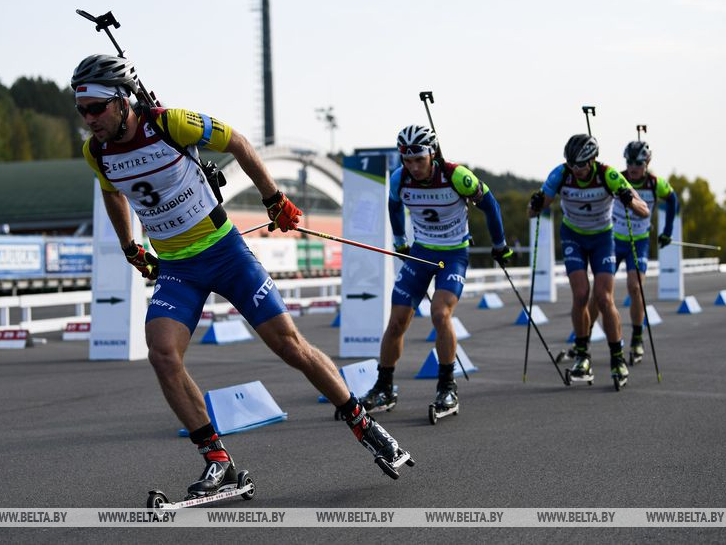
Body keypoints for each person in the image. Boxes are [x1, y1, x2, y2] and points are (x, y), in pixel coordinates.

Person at [71, 54, 412, 494]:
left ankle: (363, 424)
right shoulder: (96, 152)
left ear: (122, 101)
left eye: (96, 108)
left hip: (225, 253)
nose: (88, 119)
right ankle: (217, 460)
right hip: (177, 268)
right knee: (163, 354)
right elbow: (112, 193)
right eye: (82, 110)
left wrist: (274, 198)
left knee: (290, 346)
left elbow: (239, 144)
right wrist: (129, 246)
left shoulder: (172, 123)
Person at [360, 125, 513, 420]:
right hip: (421, 253)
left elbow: (490, 205)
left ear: (433, 153)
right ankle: (384, 387)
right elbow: (394, 207)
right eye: (407, 160)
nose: (414, 167)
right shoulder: (399, 178)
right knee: (397, 320)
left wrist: (500, 245)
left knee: (440, 314)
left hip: (453, 254)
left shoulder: (457, 176)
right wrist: (400, 241)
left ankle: (447, 387)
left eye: (419, 159)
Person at [528, 134, 649, 387]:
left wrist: (628, 199)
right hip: (573, 237)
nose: (577, 169)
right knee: (581, 294)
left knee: (604, 298)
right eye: (572, 164)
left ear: (593, 160)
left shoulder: (608, 175)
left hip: (602, 238)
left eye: (581, 164)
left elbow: (644, 210)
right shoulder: (560, 174)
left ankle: (617, 358)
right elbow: (532, 212)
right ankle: (582, 355)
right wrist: (535, 204)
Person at [575, 140, 678, 365]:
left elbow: (672, 199)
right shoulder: (616, 178)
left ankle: (637, 339)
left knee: (635, 286)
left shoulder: (655, 184)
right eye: (629, 162)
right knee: (600, 294)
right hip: (612, 240)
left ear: (647, 163)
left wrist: (667, 231)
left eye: (638, 163)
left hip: (638, 242)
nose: (633, 167)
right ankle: (583, 338)